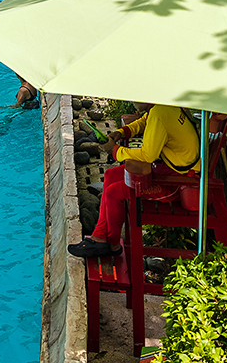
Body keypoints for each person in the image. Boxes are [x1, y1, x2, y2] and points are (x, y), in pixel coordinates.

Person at [68, 104, 204, 258]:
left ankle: (112, 245)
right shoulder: (163, 108)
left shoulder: (159, 113)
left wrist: (116, 151)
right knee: (111, 175)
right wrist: (121, 133)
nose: (133, 101)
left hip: (176, 183)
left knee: (115, 192)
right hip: (167, 170)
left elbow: (148, 155)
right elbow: (143, 122)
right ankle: (100, 236)